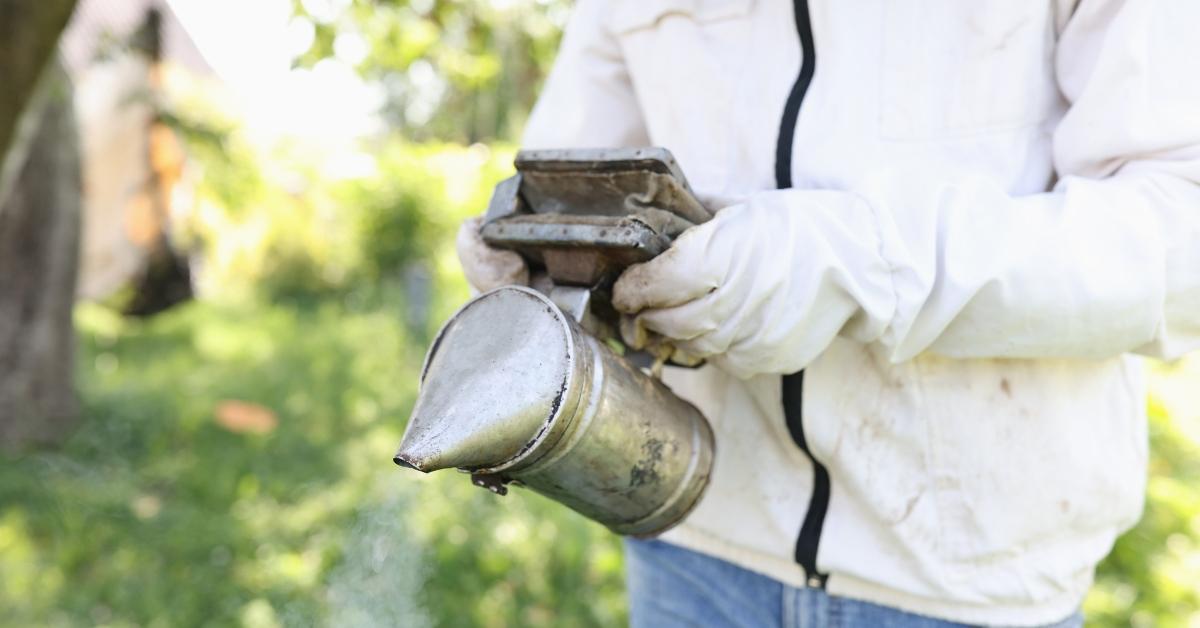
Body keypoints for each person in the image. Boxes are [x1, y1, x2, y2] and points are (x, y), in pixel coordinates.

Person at [457, 1, 1200, 626]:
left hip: (965, 578)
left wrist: (859, 261)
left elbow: (1180, 230)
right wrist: (535, 245)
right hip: (690, 534)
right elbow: (571, 159)